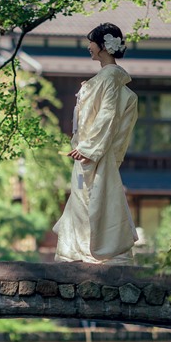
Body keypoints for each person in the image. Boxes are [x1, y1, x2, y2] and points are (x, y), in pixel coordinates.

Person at [53, 22, 139, 263]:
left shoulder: (109, 77)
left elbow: (107, 114)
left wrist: (89, 148)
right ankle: (78, 252)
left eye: (91, 42)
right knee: (89, 199)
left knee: (91, 200)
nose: (88, 47)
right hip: (90, 151)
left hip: (91, 152)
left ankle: (86, 254)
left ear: (103, 46)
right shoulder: (108, 78)